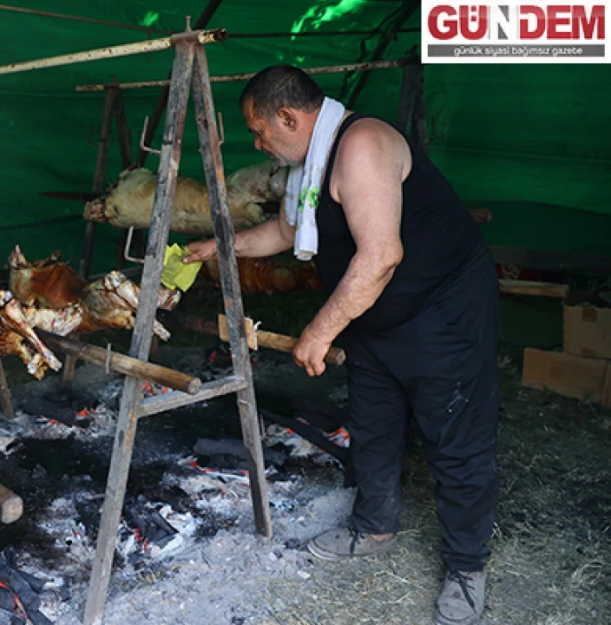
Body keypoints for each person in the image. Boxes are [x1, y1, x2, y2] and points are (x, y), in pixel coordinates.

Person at [183, 65, 500, 625]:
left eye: (260, 131)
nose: (257, 143)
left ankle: (467, 569)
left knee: (455, 439)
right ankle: (373, 529)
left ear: (289, 117)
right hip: (375, 313)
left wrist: (319, 330)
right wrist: (220, 245)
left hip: (441, 313)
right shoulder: (310, 163)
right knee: (373, 423)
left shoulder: (362, 146)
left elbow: (380, 257)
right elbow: (284, 232)